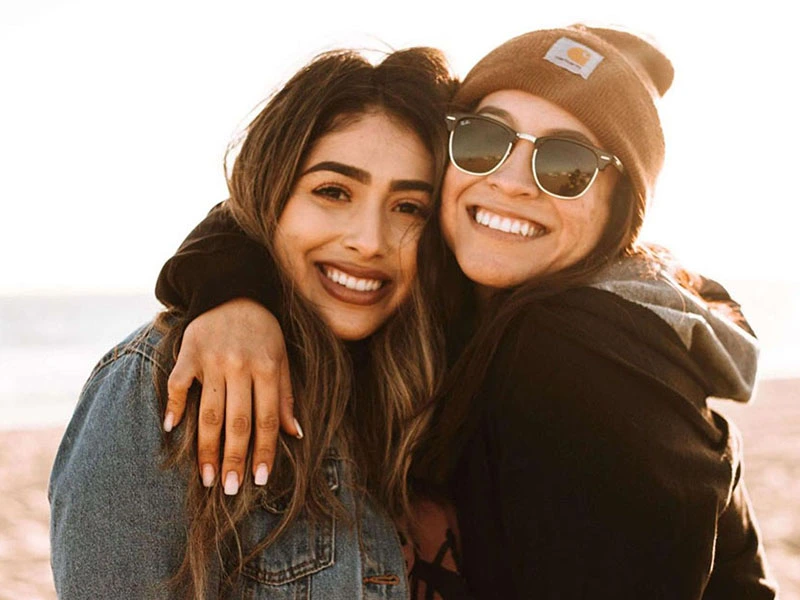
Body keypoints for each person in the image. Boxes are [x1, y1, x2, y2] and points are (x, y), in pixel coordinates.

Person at [153, 24, 780, 599]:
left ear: (621, 208)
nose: (510, 181)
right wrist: (235, 293)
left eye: (566, 164)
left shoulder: (579, 350)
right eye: (485, 140)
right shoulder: (461, 287)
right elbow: (271, 203)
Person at [48, 46, 463, 599]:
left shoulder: (433, 383)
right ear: (271, 197)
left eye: (409, 207)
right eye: (332, 192)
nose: (370, 240)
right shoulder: (160, 387)